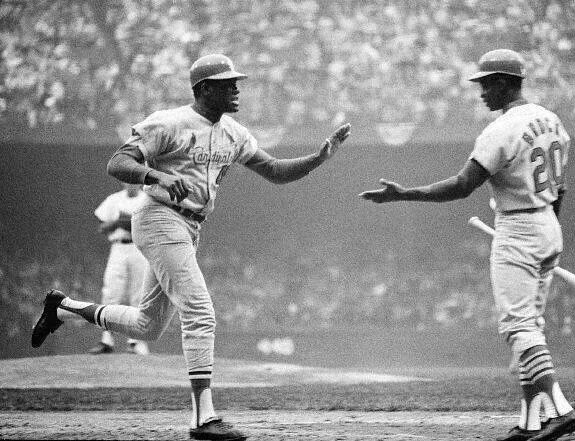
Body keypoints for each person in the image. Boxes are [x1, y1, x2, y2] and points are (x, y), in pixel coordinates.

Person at [32, 53, 351, 441]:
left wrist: (319, 158)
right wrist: (156, 175)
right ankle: (204, 418)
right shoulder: (170, 122)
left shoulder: (233, 132)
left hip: (189, 226)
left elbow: (275, 171)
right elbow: (118, 162)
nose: (236, 89)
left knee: (148, 327)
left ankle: (62, 308)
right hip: (159, 217)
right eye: (227, 83)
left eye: (236, 82)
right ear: (203, 89)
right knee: (200, 311)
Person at [359, 49, 575, 441]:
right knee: (531, 324)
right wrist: (546, 229)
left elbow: (462, 186)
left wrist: (404, 194)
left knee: (519, 326)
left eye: (484, 84)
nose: (481, 93)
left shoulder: (501, 129)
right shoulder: (551, 119)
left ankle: (560, 409)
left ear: (502, 82)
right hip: (548, 222)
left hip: (518, 227)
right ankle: (530, 421)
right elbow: (560, 186)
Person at [90, 182, 150, 355]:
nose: (131, 183)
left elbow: (153, 224)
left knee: (139, 294)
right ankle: (106, 340)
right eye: (127, 179)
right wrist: (118, 222)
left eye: (134, 179)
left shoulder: (148, 200)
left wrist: (132, 222)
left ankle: (135, 341)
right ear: (123, 181)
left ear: (140, 181)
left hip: (139, 246)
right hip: (118, 246)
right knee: (111, 292)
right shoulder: (114, 199)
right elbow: (101, 226)